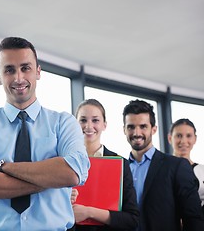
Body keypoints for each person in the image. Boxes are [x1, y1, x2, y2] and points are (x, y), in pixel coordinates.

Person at [0, 36, 90, 230]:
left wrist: (7, 168)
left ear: (38, 72)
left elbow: (72, 172)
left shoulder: (63, 123)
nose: (18, 78)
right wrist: (50, 179)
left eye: (25, 68)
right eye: (9, 70)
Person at [123, 99, 204, 231]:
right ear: (124, 130)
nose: (137, 133)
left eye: (143, 126)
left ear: (154, 129)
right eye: (131, 127)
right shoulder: (120, 168)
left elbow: (193, 218)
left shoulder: (176, 166)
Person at [71, 99, 138, 230]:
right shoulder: (64, 162)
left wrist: (89, 212)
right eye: (83, 120)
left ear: (104, 125)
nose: (89, 126)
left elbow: (132, 220)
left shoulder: (120, 164)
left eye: (95, 120)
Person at [168, 118, 204, 213]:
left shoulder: (202, 171)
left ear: (195, 139)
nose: (183, 141)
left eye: (189, 136)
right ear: (169, 138)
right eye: (179, 136)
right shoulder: (161, 170)